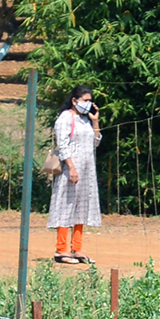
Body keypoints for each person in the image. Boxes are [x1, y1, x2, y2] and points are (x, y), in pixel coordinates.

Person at [47, 86, 101, 264]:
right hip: (70, 169)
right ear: (74, 100)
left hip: (87, 169)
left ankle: (77, 248)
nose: (88, 104)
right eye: (85, 100)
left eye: (89, 100)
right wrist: (71, 168)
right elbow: (63, 145)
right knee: (66, 205)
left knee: (81, 207)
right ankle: (61, 249)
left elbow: (95, 142)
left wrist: (95, 122)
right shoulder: (65, 118)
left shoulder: (85, 120)